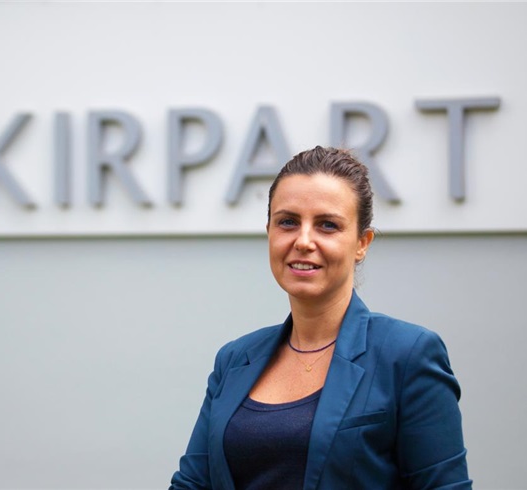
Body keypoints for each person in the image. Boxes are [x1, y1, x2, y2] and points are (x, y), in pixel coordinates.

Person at [170, 146, 471, 489]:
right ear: (269, 231)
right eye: (288, 222)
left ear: (362, 243)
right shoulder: (235, 359)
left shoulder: (408, 355)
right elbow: (192, 484)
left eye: (327, 225)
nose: (303, 241)